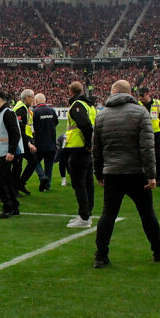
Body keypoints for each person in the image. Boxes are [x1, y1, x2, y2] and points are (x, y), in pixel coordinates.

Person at [92, 80, 160, 268]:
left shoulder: (102, 116)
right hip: (137, 173)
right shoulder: (140, 112)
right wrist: (152, 175)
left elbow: (97, 149)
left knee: (108, 214)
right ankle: (158, 251)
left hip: (112, 172)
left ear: (113, 93)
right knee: (147, 213)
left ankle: (101, 256)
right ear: (129, 93)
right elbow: (147, 148)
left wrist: (98, 173)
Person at [65, 80, 97, 228]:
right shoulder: (89, 104)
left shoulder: (77, 105)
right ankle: (87, 213)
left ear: (71, 92)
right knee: (88, 182)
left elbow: (85, 126)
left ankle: (84, 217)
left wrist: (88, 145)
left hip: (79, 148)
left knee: (79, 184)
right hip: (84, 149)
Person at [0, 90, 23, 219]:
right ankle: (14, 206)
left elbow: (15, 133)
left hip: (5, 153)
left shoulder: (7, 113)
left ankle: (7, 206)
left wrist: (11, 151)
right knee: (7, 181)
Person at [137, 87, 160, 186]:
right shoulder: (138, 105)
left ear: (147, 94)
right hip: (143, 132)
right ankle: (145, 176)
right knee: (143, 155)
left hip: (156, 133)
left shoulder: (158, 103)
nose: (140, 98)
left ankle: (158, 177)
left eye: (142, 95)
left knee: (157, 155)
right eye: (139, 96)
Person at [12, 89, 39, 195]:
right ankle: (16, 186)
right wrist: (28, 142)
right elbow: (20, 129)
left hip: (23, 140)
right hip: (20, 141)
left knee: (29, 162)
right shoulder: (20, 109)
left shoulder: (24, 108)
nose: (33, 100)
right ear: (26, 98)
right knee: (19, 165)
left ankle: (19, 184)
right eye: (32, 97)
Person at [30, 93, 58, 192]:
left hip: (39, 142)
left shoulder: (34, 112)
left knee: (34, 161)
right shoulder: (52, 110)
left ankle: (42, 176)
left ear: (36, 101)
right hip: (51, 142)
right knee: (49, 166)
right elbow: (55, 123)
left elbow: (32, 127)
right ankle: (47, 186)